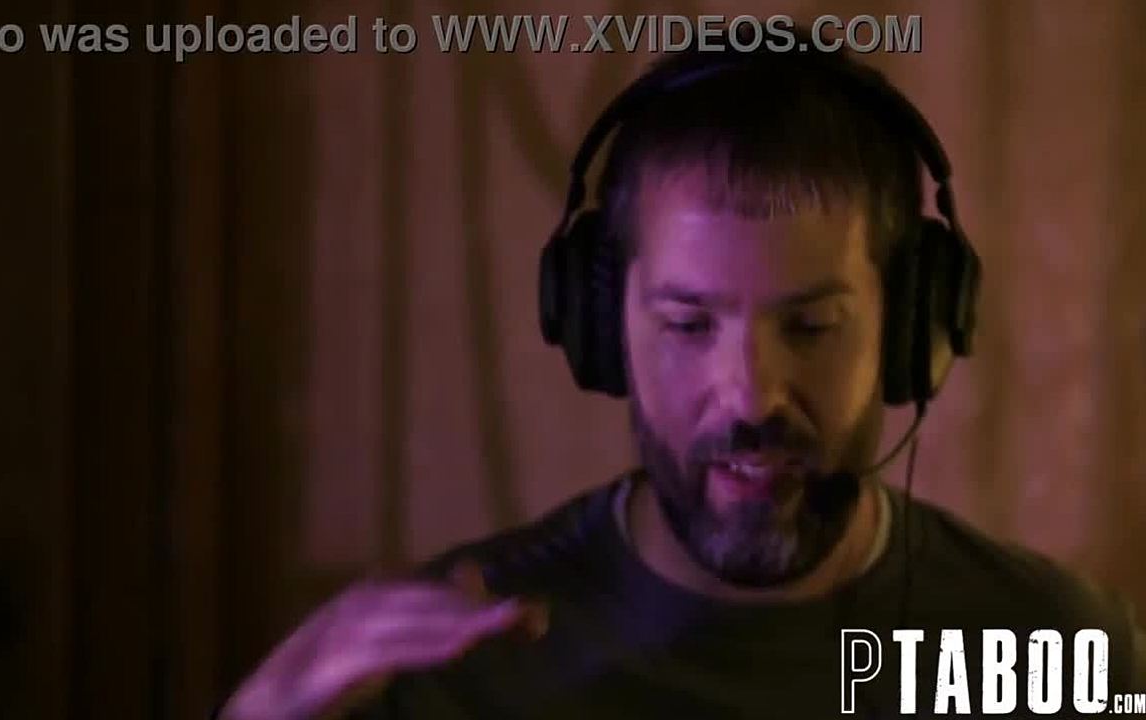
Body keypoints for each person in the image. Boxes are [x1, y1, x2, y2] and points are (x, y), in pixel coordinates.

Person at [218, 31, 1145, 720]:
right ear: (601, 327)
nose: (750, 394)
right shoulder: (451, 667)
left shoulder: (1060, 656)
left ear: (912, 326)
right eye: (689, 325)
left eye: (811, 327)